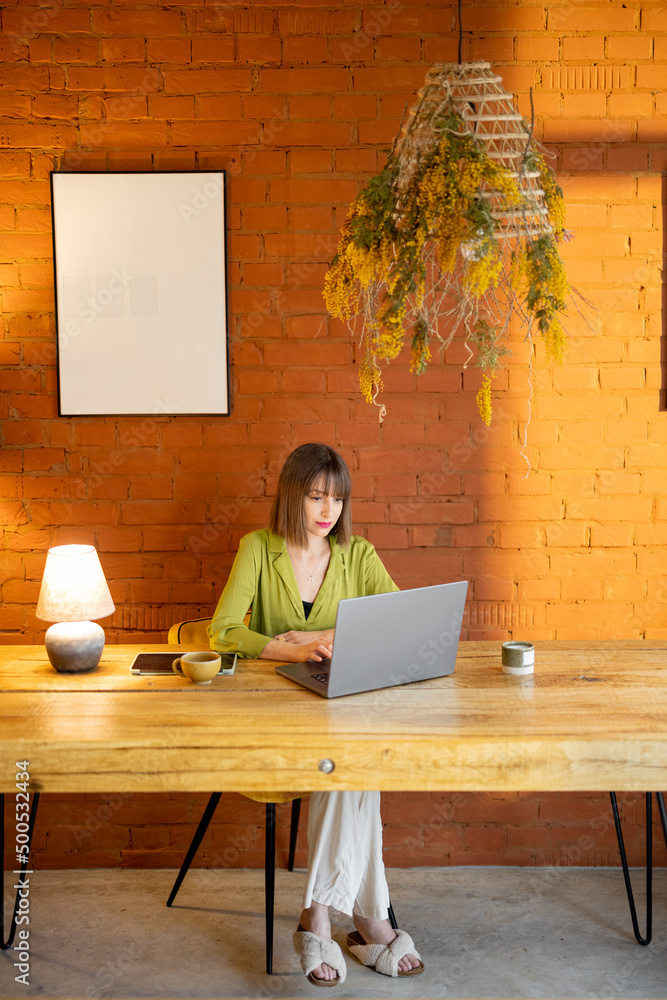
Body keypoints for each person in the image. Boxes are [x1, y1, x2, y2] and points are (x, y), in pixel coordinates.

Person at [208, 443, 423, 986]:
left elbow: (400, 622)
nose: (328, 510)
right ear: (293, 496)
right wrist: (292, 650)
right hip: (277, 711)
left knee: (346, 761)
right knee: (351, 769)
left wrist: (323, 636)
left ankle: (319, 918)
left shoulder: (359, 555)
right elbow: (224, 631)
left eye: (337, 499)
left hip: (342, 701)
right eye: (316, 496)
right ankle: (371, 922)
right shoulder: (257, 549)